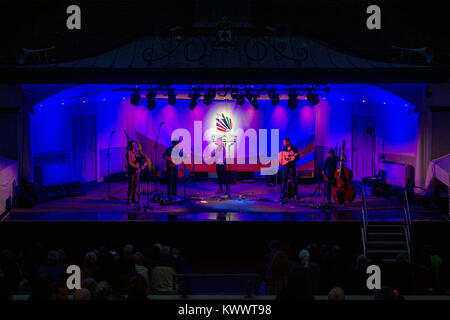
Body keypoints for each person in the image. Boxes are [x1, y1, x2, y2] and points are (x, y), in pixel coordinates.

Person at [127, 140, 147, 204]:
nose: (133, 146)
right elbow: (130, 163)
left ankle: (133, 199)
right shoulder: (128, 153)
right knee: (131, 185)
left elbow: (141, 158)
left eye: (134, 144)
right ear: (130, 145)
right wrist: (137, 166)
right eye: (132, 145)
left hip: (137, 172)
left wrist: (143, 163)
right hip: (131, 171)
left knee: (135, 186)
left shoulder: (136, 152)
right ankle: (129, 200)